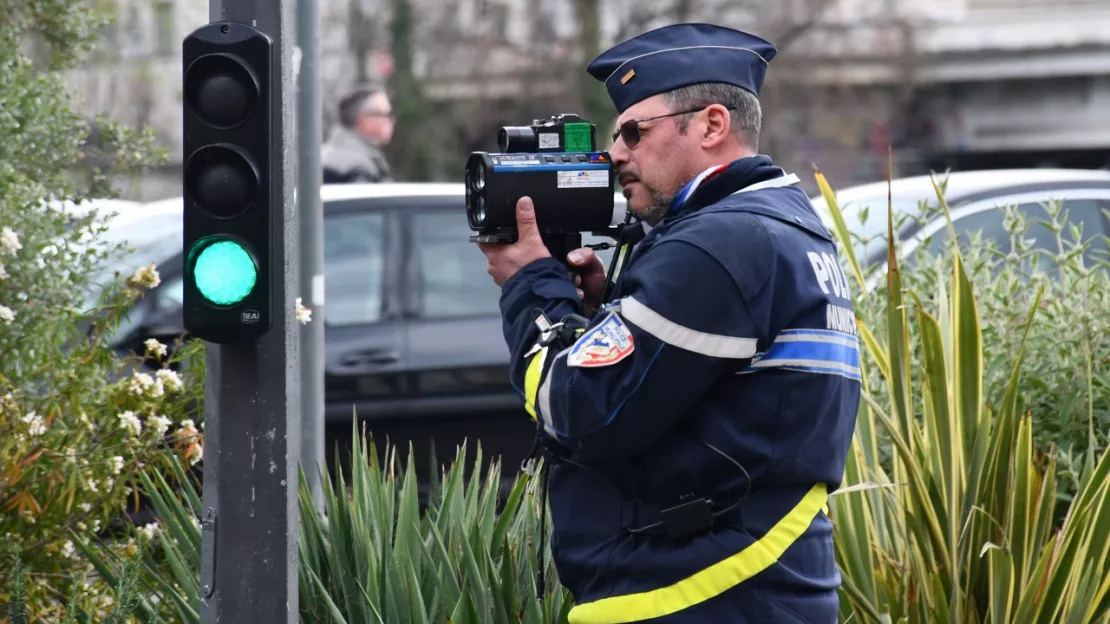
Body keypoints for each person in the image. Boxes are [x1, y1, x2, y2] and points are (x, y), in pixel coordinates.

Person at [477, 22, 861, 624]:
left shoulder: (716, 244)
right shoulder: (786, 226)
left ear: (711, 125)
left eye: (634, 131)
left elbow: (579, 408)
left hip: (697, 591)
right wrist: (613, 314)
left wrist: (531, 287)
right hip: (757, 581)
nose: (617, 153)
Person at [321, 85, 395, 183]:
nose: (392, 120)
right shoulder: (358, 167)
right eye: (385, 114)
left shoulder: (333, 153)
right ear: (364, 120)